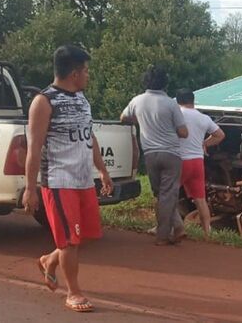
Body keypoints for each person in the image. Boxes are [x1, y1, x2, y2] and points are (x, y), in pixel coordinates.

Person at [23, 45, 113, 312]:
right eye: (86, 71)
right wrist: (31, 188)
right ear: (74, 73)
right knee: (70, 241)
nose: (88, 75)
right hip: (59, 181)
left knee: (87, 234)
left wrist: (102, 170)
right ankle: (73, 292)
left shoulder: (82, 99)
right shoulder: (44, 102)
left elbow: (90, 136)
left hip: (83, 179)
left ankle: (49, 260)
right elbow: (34, 147)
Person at [120, 65, 188, 245]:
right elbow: (183, 132)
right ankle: (164, 235)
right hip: (171, 154)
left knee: (161, 194)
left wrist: (140, 121)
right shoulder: (171, 104)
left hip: (150, 154)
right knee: (168, 194)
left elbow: (123, 118)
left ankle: (178, 226)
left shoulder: (137, 101)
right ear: (165, 83)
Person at [176, 88, 225, 239]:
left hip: (180, 160)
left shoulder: (177, 116)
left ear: (177, 101)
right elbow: (220, 135)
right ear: (193, 100)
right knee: (200, 199)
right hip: (197, 161)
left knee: (168, 195)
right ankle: (207, 232)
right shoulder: (203, 118)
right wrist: (204, 143)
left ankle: (167, 226)